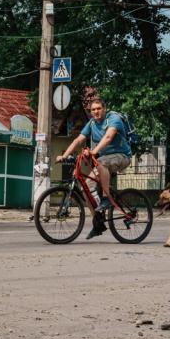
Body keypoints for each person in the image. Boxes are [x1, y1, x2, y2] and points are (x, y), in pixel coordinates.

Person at [58, 98, 132, 239]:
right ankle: (98, 224)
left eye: (98, 108)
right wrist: (64, 155)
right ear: (90, 112)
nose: (96, 111)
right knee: (87, 188)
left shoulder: (113, 119)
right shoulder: (91, 123)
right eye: (93, 110)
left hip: (122, 156)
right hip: (103, 160)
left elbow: (109, 137)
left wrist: (94, 151)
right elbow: (78, 140)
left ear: (104, 109)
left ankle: (106, 198)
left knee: (101, 162)